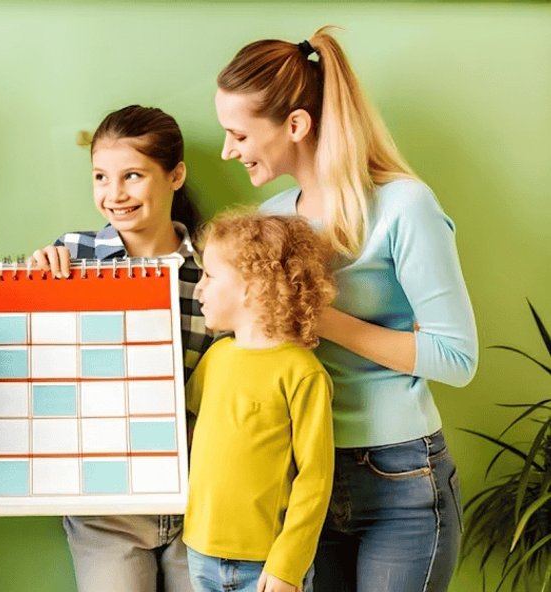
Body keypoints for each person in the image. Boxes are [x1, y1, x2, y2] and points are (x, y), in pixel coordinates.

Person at [214, 26, 478, 592]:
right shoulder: (275, 217)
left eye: (238, 134)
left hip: (401, 478)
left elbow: (456, 358)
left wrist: (318, 316)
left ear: (296, 125)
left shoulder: (404, 206)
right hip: (307, 480)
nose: (227, 151)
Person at [30, 105, 210, 592]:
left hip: (201, 497)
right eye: (101, 177)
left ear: (176, 176)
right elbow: (40, 369)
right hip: (107, 507)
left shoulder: (217, 265)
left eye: (132, 176)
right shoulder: (71, 256)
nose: (115, 195)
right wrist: (31, 288)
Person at [184, 211, 336, 592]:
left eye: (209, 276)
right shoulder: (216, 358)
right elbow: (184, 426)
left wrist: (288, 564)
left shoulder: (302, 372)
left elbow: (315, 479)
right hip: (200, 553)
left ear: (252, 286)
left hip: (267, 566)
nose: (199, 289)